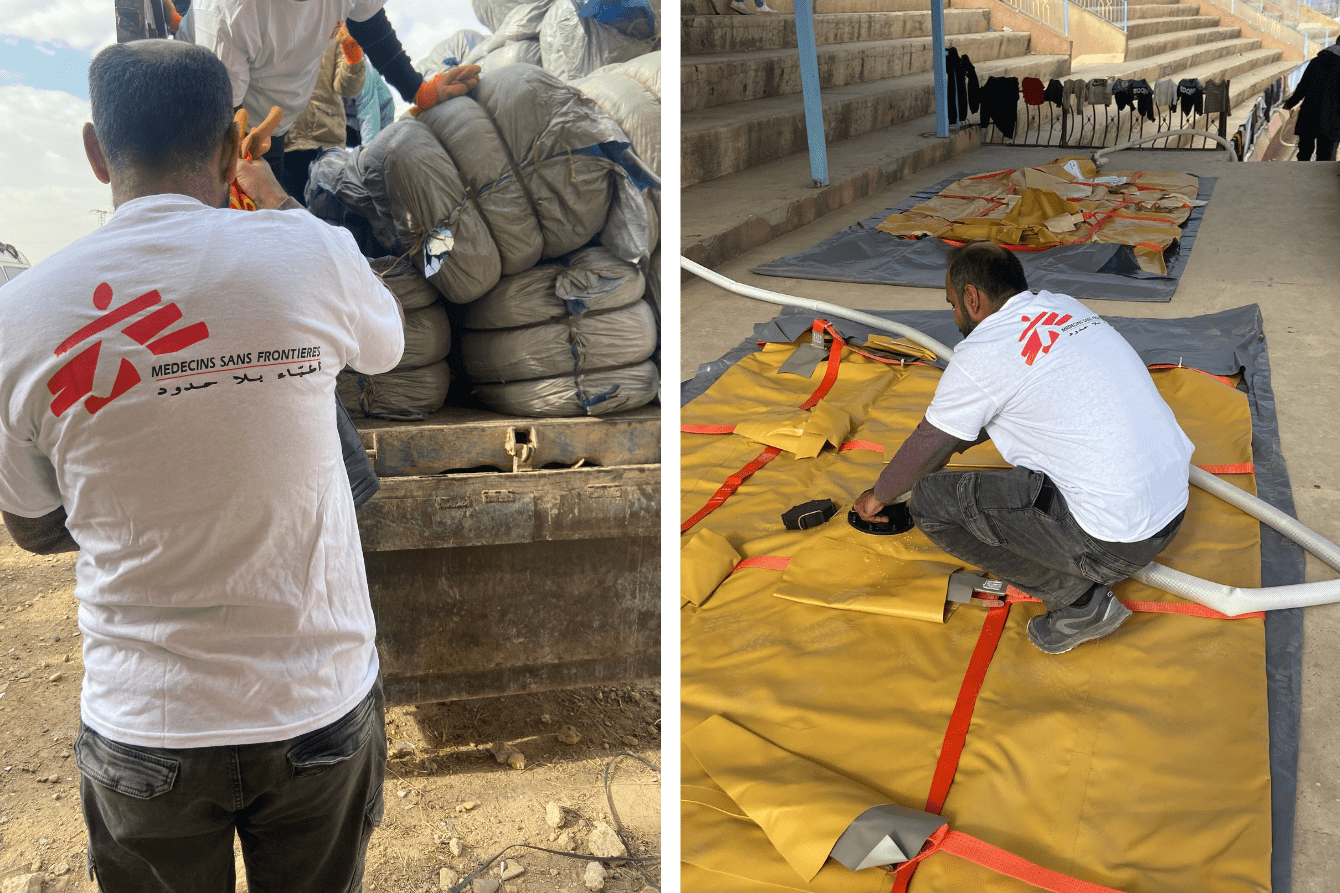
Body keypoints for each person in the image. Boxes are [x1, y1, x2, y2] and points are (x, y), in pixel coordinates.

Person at [0, 40, 404, 891]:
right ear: (230, 148)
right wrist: (280, 203)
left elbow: (34, 524)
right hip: (317, 709)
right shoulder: (312, 253)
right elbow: (386, 347)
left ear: (95, 152)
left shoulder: (17, 318)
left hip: (147, 729)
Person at [853, 243, 1193, 655]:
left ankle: (1077, 603)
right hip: (1173, 509)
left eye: (952, 304)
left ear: (972, 298)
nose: (955, 317)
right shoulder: (1066, 308)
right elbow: (1003, 407)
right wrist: (953, 439)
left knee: (928, 499)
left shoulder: (983, 352)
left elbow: (930, 443)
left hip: (1115, 543)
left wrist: (878, 496)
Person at [182, 0, 480, 185]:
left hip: (274, 124)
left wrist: (416, 88)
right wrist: (235, 154)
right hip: (222, 126)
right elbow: (220, 115)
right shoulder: (228, 12)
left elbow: (372, 27)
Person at [283, 28, 366, 203]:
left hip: (326, 142)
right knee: (296, 217)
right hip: (285, 145)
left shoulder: (333, 29)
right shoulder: (272, 26)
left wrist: (352, 54)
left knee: (334, 214)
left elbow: (348, 87)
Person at [1282, 37, 1340, 162]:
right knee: (1326, 158)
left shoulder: (1315, 62)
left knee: (1304, 155)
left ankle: (1301, 180)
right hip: (1332, 120)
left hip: (1308, 115)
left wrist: (1289, 104)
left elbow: (1302, 88)